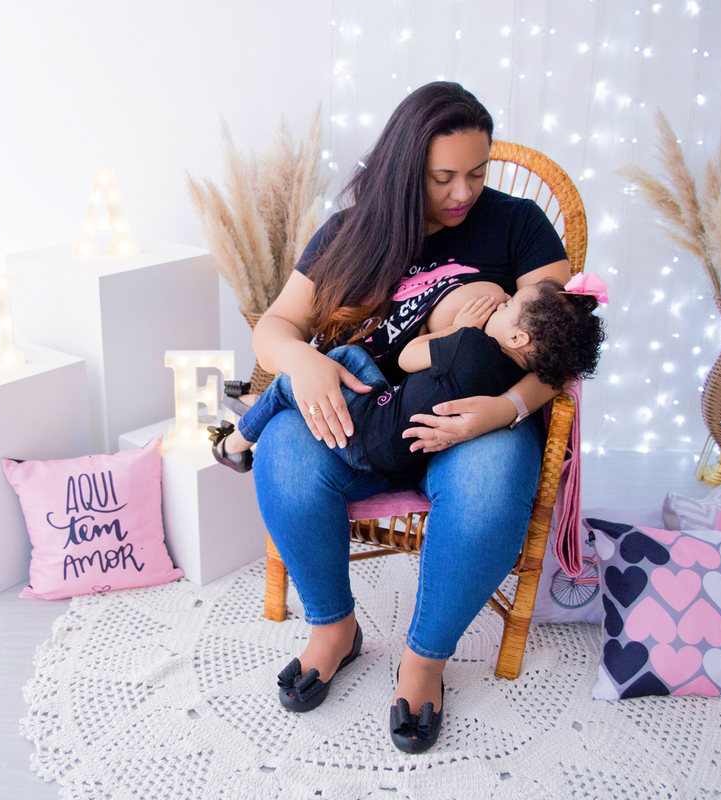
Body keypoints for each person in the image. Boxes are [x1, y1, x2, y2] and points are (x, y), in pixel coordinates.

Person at [245, 81, 579, 754]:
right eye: (444, 178)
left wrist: (505, 408)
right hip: (367, 417)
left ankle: (424, 660)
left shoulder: (518, 226)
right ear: (404, 170)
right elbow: (277, 324)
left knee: (488, 489)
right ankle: (333, 629)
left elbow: (559, 348)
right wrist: (301, 363)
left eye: (478, 173)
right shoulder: (349, 233)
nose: (464, 193)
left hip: (472, 423)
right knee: (283, 449)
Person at [208, 282, 604, 477]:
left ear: (518, 337)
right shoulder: (518, 375)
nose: (499, 303)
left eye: (507, 305)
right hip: (401, 450)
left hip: (366, 436)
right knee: (349, 357)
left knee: (289, 383)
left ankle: (233, 445)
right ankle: (255, 403)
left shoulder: (470, 342)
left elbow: (408, 356)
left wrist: (458, 330)